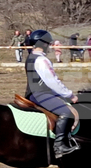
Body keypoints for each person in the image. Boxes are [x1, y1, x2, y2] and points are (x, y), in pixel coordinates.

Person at [24, 30, 79, 159]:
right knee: (66, 112)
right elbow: (52, 82)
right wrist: (70, 95)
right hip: (40, 94)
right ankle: (59, 146)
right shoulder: (42, 60)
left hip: (33, 93)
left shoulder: (31, 57)